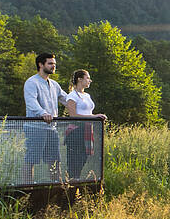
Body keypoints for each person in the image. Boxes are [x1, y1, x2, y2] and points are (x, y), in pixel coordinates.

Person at [22, 53, 64, 183]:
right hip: (35, 127)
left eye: (54, 64)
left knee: (54, 160)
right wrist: (43, 113)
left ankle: (56, 188)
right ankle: (28, 188)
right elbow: (31, 101)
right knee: (31, 159)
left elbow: (67, 100)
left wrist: (89, 114)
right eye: (50, 63)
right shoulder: (32, 82)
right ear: (41, 64)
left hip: (51, 128)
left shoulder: (55, 85)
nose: (53, 66)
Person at [59, 69, 107, 180]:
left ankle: (76, 183)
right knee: (75, 161)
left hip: (87, 129)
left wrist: (95, 117)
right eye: (87, 78)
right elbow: (73, 115)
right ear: (80, 79)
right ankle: (71, 185)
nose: (90, 80)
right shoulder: (72, 96)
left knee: (84, 158)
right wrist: (94, 117)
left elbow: (88, 112)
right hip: (76, 131)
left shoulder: (87, 95)